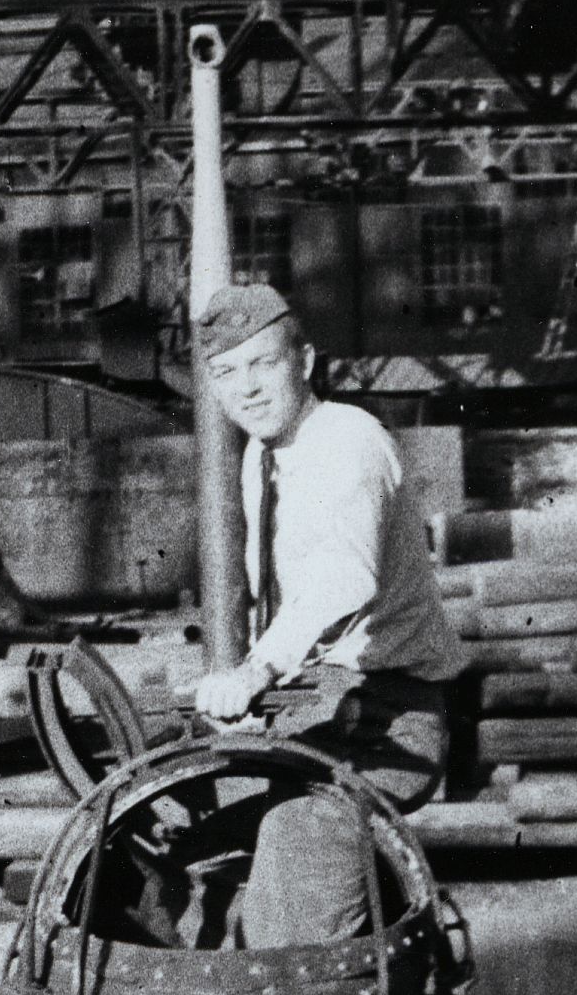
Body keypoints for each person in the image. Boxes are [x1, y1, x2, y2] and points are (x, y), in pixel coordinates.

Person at [191, 283, 463, 948]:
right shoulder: (261, 454)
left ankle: (299, 990)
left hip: (385, 720)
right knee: (184, 828)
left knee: (300, 839)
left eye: (264, 363)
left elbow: (344, 577)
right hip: (320, 710)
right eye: (226, 372)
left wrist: (257, 669)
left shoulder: (346, 440)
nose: (247, 388)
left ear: (305, 362)